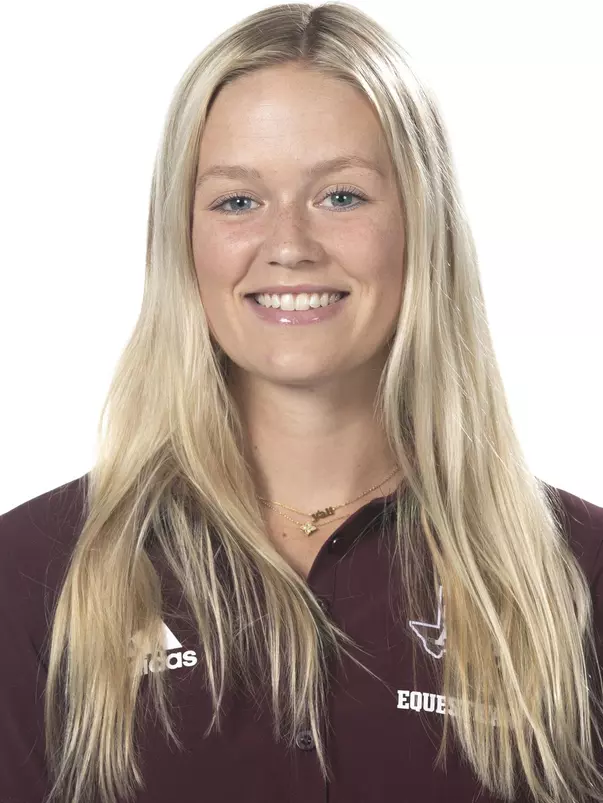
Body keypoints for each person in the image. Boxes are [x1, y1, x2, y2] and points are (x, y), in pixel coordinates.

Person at [0, 3, 602, 802]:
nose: (288, 244)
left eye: (341, 197)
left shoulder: (577, 575)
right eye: (237, 202)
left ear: (423, 227)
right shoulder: (35, 572)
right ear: (181, 239)